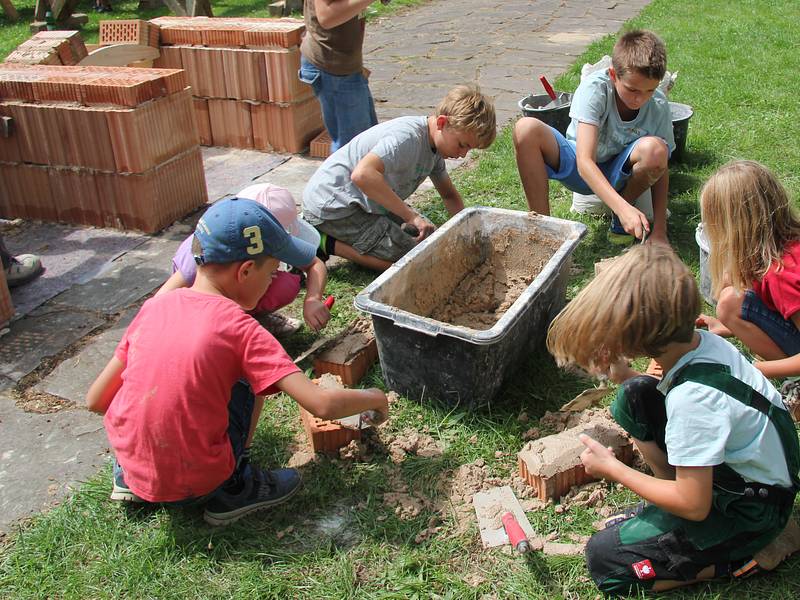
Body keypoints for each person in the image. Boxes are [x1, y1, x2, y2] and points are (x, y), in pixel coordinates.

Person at [86, 198, 389, 526]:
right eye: (272, 273)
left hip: (132, 465)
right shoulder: (241, 328)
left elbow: (96, 400)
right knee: (249, 377)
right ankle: (234, 485)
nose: (273, 281)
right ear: (245, 271)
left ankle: (129, 478)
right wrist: (375, 398)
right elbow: (322, 404)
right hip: (197, 482)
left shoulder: (155, 307)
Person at [546, 244, 800, 595]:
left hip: (752, 511)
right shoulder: (702, 343)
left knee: (605, 560)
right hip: (754, 477)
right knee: (635, 394)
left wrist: (614, 469)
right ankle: (668, 503)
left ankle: (736, 560)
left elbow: (695, 505)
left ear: (637, 341)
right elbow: (671, 397)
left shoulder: (692, 401)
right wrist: (624, 374)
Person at [302, 84, 496, 271]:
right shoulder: (406, 138)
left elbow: (449, 196)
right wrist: (411, 216)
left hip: (365, 202)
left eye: (469, 149)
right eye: (462, 145)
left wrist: (466, 233)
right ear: (442, 123)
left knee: (429, 241)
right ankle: (323, 242)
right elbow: (362, 174)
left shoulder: (436, 149)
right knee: (414, 260)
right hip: (334, 205)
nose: (462, 154)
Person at [514, 30, 674, 245]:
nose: (640, 99)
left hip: (621, 174)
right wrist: (623, 208)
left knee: (657, 150)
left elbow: (662, 168)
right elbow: (584, 162)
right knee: (525, 129)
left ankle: (620, 216)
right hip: (580, 167)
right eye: (632, 89)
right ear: (613, 75)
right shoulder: (595, 89)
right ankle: (543, 231)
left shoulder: (659, 105)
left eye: (649, 91)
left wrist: (660, 230)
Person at [158, 184, 331, 335]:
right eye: (272, 270)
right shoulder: (198, 265)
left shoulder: (251, 238)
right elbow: (160, 305)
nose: (276, 270)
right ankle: (232, 326)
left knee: (286, 285)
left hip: (226, 297)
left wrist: (312, 299)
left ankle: (250, 320)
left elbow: (314, 263)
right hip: (200, 315)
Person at [696, 161, 800, 380]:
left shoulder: (782, 274)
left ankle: (794, 380)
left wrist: (750, 372)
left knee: (729, 302)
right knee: (731, 300)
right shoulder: (782, 247)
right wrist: (726, 326)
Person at [299, 0, 381, 152]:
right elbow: (326, 16)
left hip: (346, 64)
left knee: (368, 141)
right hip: (333, 68)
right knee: (354, 150)